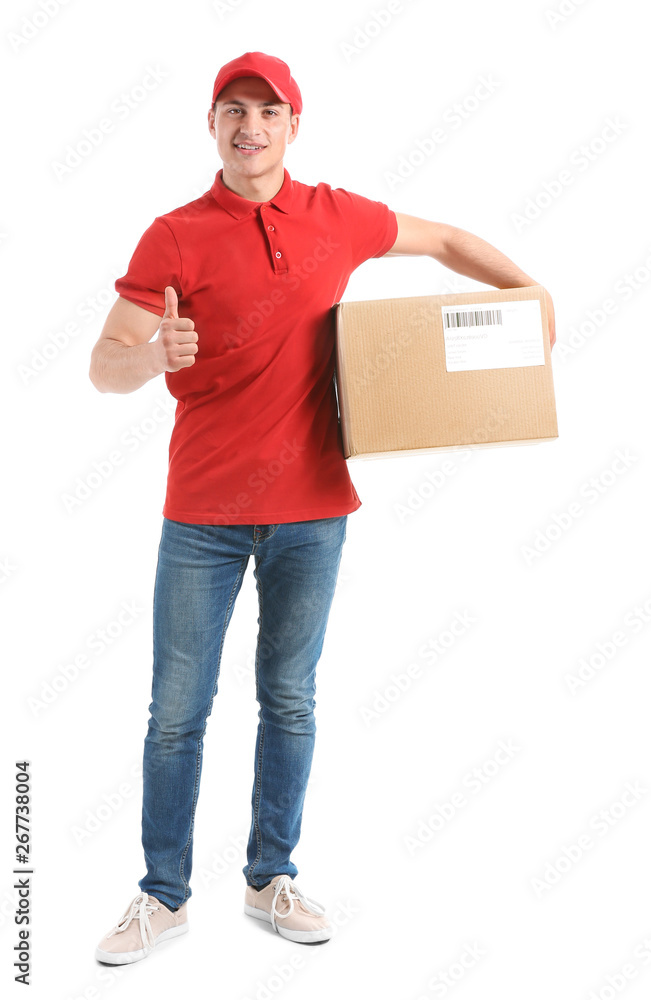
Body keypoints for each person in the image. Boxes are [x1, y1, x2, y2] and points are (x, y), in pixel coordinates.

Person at [89, 51, 556, 965]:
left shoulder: (338, 216)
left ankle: (270, 879)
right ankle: (163, 896)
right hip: (201, 515)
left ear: (292, 127)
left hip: (314, 509)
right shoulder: (173, 235)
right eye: (233, 109)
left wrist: (525, 291)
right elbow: (104, 363)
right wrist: (151, 360)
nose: (250, 125)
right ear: (212, 125)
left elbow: (450, 241)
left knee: (289, 700)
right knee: (177, 711)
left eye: (268, 111)